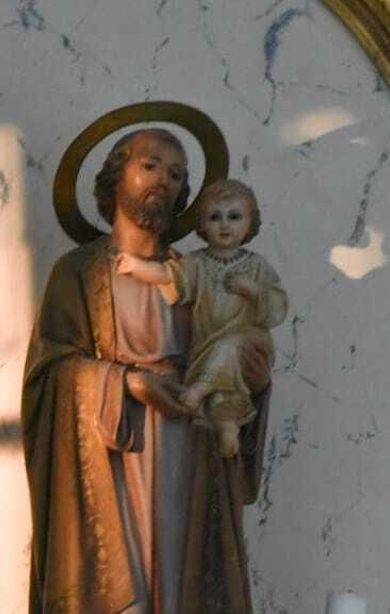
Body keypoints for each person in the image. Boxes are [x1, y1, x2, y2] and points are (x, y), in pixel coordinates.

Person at [21, 128, 271, 614]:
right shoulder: (78, 273)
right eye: (150, 165)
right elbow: (48, 378)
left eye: (177, 173)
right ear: (117, 177)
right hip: (106, 472)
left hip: (191, 470)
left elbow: (237, 360)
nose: (163, 180)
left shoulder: (201, 275)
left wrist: (253, 376)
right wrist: (127, 383)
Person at [116, 178, 289, 459]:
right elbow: (167, 276)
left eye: (234, 217)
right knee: (223, 392)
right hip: (209, 344)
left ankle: (200, 388)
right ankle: (227, 430)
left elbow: (278, 305)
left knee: (228, 348)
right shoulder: (196, 263)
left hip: (250, 341)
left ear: (250, 223)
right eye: (214, 217)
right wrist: (135, 266)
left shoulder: (257, 266)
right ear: (202, 225)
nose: (224, 225)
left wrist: (254, 290)